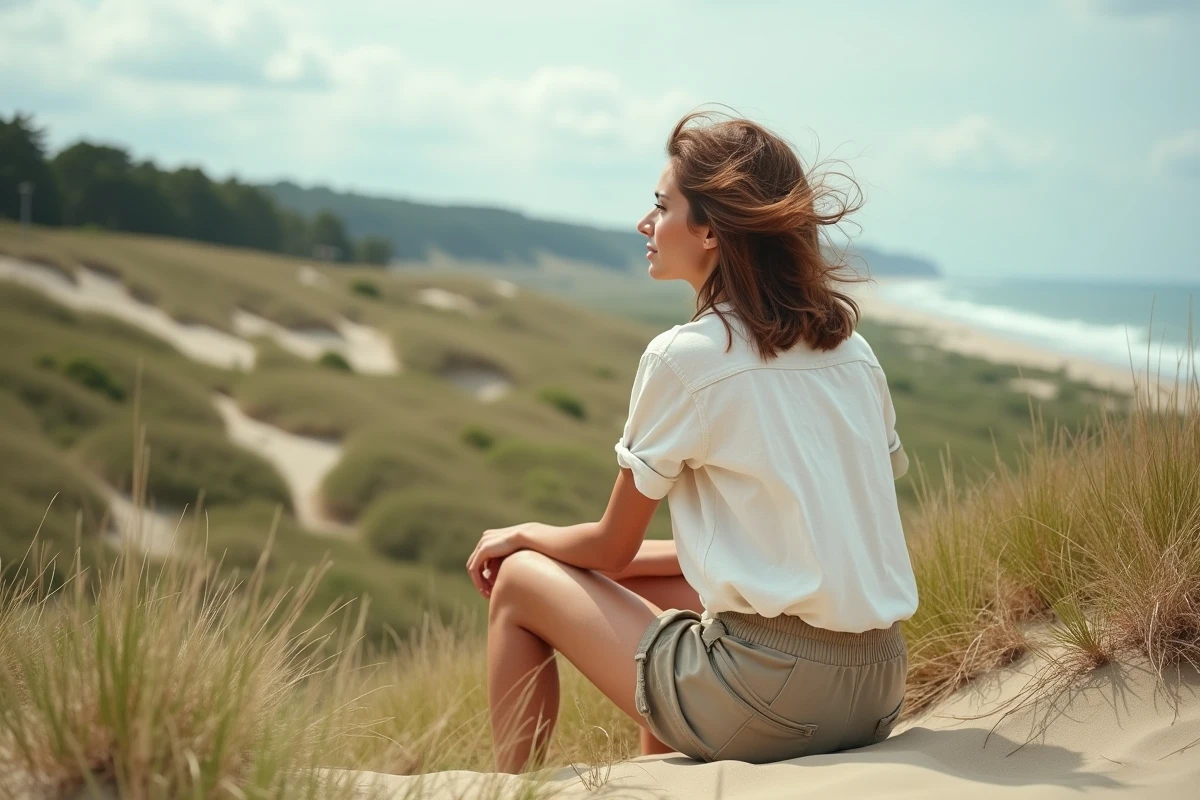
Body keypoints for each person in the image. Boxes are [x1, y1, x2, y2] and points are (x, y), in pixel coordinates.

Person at [465, 109, 918, 773]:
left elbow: (609, 544)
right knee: (678, 587)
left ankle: (516, 789)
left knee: (521, 581)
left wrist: (526, 535)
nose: (645, 225)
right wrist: (611, 566)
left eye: (660, 207)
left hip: (771, 701)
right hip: (877, 689)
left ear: (710, 229)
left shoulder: (686, 357)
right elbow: (794, 541)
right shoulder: (854, 352)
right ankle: (662, 777)